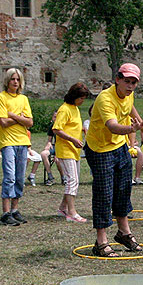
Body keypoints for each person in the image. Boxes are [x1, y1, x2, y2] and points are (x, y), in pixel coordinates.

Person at [84, 63, 143, 257]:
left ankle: (124, 233)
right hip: (99, 149)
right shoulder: (105, 98)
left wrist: (142, 125)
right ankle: (101, 242)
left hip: (119, 146)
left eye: (133, 83)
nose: (130, 86)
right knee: (104, 193)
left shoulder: (128, 95)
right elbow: (112, 126)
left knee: (123, 188)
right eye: (127, 81)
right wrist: (133, 129)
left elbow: (130, 109)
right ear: (118, 80)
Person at [0, 68, 33, 226]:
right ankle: (5, 212)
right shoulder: (1, 97)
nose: (15, 82)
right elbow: (2, 122)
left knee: (19, 178)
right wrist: (20, 118)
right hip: (8, 142)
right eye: (12, 79)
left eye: (18, 79)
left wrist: (13, 115)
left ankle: (14, 209)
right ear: (7, 81)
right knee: (9, 176)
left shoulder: (23, 99)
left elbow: (30, 122)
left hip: (22, 141)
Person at [54, 83, 89, 223]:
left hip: (74, 150)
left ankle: (63, 208)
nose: (83, 101)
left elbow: (74, 126)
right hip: (65, 149)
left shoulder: (75, 109)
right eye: (81, 98)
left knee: (74, 180)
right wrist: (72, 139)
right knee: (72, 180)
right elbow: (57, 129)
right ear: (74, 96)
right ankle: (71, 213)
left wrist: (83, 131)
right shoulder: (65, 109)